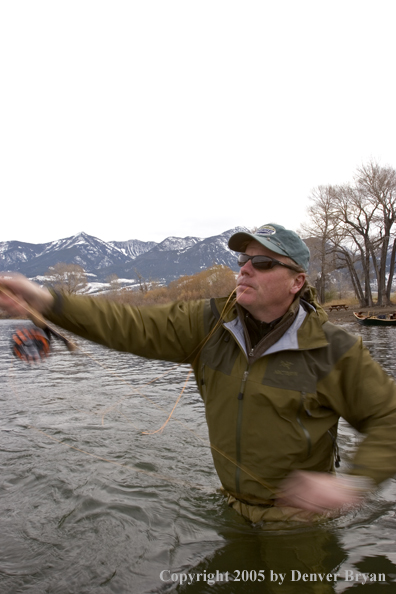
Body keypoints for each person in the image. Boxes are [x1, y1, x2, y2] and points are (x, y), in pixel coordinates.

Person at [1, 223, 396, 525]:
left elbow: (389, 418)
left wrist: (351, 485)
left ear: (296, 282)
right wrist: (47, 300)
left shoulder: (335, 350)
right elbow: (127, 322)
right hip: (231, 510)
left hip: (300, 522)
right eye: (242, 261)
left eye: (262, 263)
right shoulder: (207, 323)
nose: (245, 270)